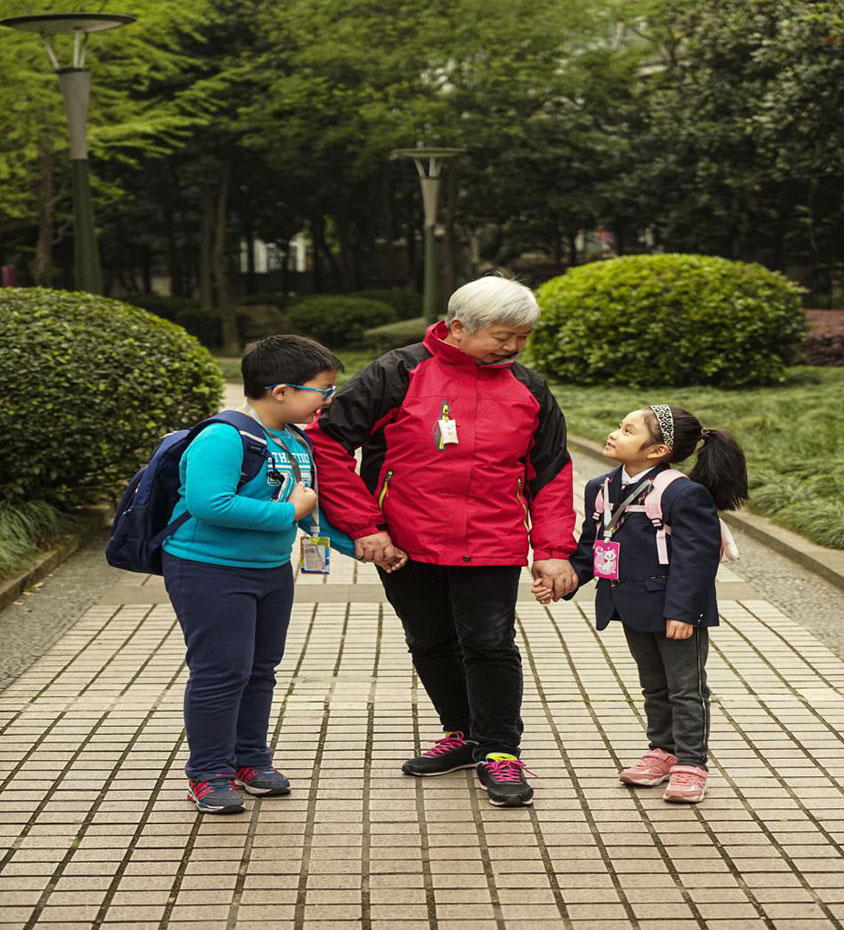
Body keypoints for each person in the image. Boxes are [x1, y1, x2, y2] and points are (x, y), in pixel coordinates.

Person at [306, 275, 578, 807]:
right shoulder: (396, 372)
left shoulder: (529, 388)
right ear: (457, 327)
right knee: (429, 640)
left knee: (489, 644)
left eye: (522, 337)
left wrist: (551, 551)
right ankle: (461, 732)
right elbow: (327, 443)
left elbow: (551, 472)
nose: (513, 348)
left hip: (493, 540)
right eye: (502, 336)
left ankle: (499, 751)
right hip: (405, 543)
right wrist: (365, 525)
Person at [161, 335, 344, 814]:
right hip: (208, 571)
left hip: (269, 571)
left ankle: (250, 759)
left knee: (260, 670)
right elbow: (209, 503)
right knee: (222, 672)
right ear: (281, 391)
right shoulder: (224, 435)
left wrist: (372, 544)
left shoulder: (294, 438)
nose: (327, 399)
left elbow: (309, 510)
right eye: (322, 390)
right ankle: (209, 773)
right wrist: (288, 513)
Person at [536, 405, 748, 803]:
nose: (615, 433)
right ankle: (662, 751)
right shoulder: (600, 487)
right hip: (630, 603)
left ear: (656, 451)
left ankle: (691, 763)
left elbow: (696, 559)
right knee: (654, 685)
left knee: (686, 688)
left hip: (675, 609)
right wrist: (566, 581)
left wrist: (685, 612)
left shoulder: (682, 493)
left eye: (628, 430)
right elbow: (591, 548)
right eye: (620, 426)